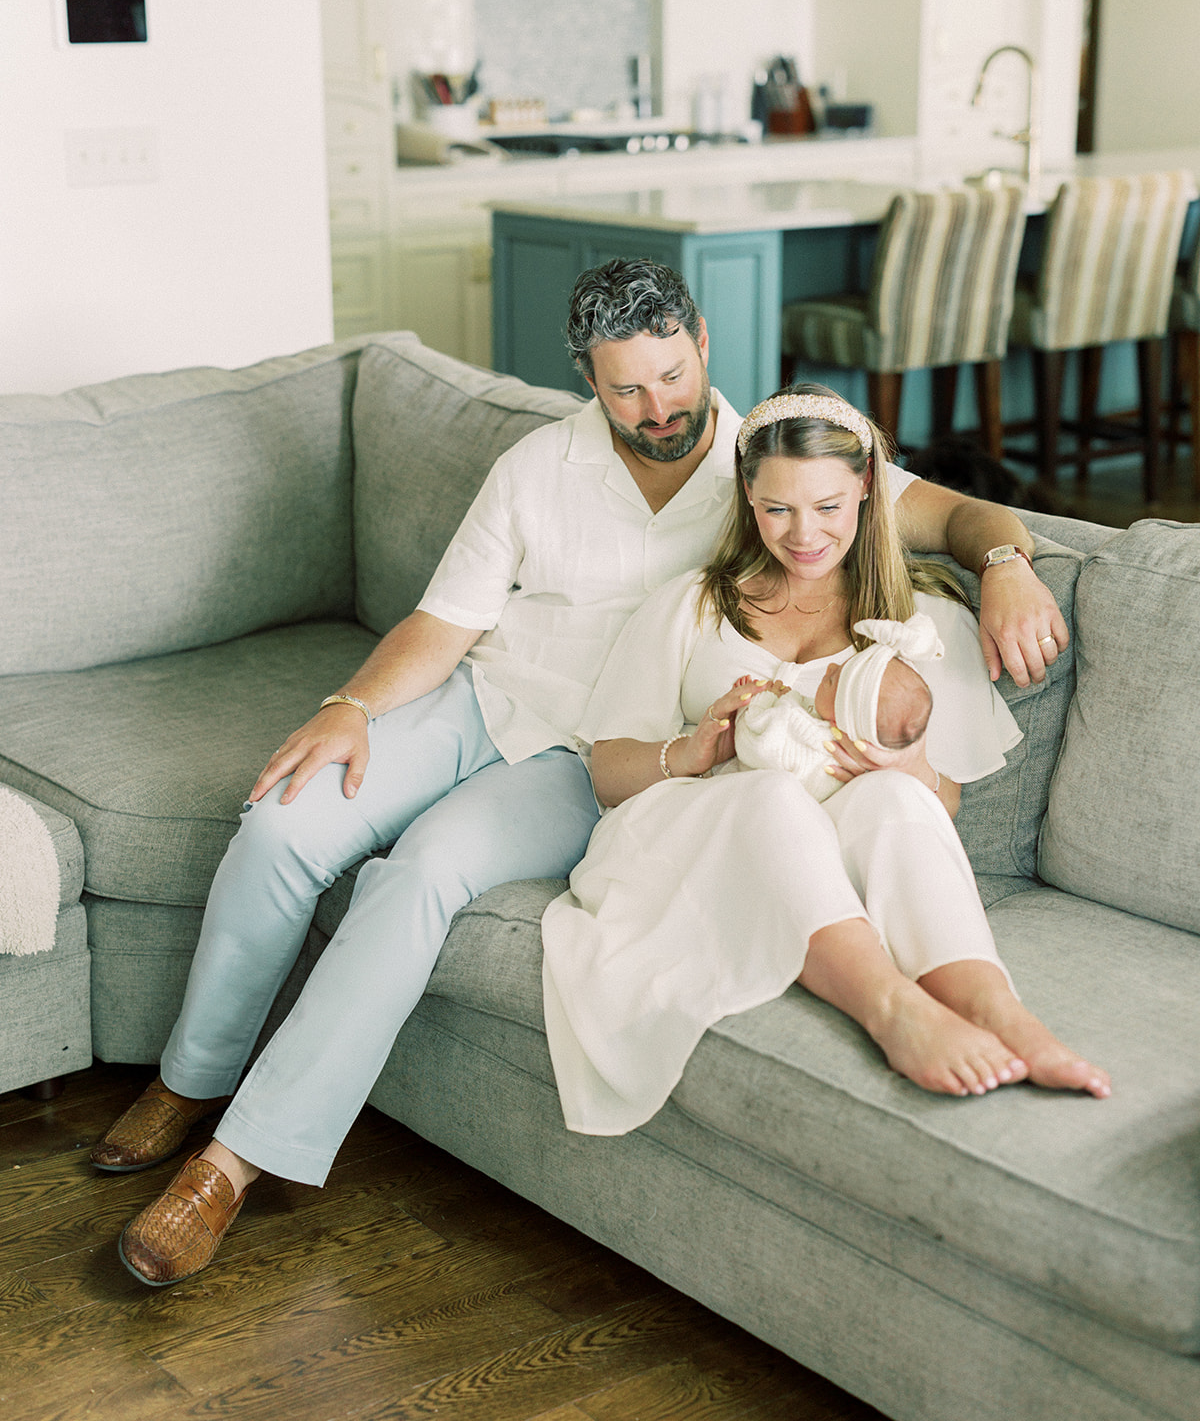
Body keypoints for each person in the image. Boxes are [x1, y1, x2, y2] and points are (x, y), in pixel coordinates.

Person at [92, 257, 1074, 1287]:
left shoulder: (776, 466)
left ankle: (233, 1165)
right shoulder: (536, 465)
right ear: (586, 380)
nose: (658, 409)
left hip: (585, 756)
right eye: (625, 389)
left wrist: (1007, 568)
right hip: (479, 699)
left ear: (699, 339)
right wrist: (351, 708)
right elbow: (447, 619)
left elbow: (960, 519)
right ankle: (191, 1078)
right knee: (284, 822)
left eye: (671, 377)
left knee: (420, 876)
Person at [541, 385, 1110, 1138]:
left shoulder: (921, 624)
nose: (803, 535)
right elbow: (606, 773)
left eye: (828, 508)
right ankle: (892, 1008)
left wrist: (906, 772)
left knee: (898, 802)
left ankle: (1001, 1013)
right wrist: (692, 749)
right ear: (748, 496)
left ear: (867, 489)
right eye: (777, 509)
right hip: (688, 842)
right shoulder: (693, 605)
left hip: (834, 858)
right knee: (772, 795)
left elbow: (939, 812)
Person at [733, 611, 941, 803]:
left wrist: (759, 700)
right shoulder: (859, 760)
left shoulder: (799, 728)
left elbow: (753, 740)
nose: (830, 667)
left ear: (838, 719)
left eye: (832, 680)